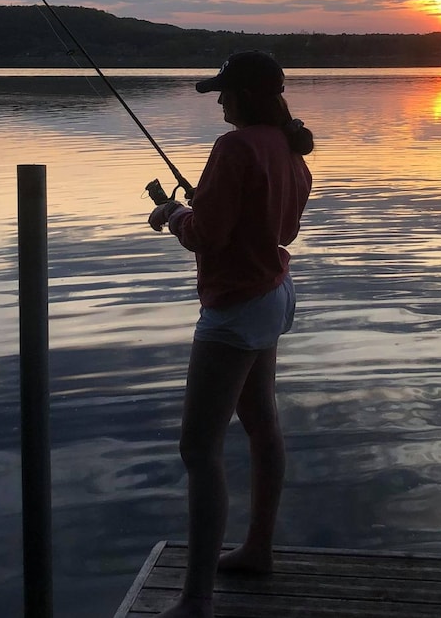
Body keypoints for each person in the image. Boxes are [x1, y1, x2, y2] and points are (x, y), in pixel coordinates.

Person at [147, 51, 314, 618]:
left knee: (198, 447)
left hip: (238, 303)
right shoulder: (288, 147)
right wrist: (208, 206)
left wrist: (173, 215)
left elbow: (205, 236)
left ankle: (195, 601)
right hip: (273, 293)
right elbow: (280, 227)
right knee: (262, 425)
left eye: (223, 93)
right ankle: (258, 549)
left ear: (243, 95)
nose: (219, 101)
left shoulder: (235, 146)